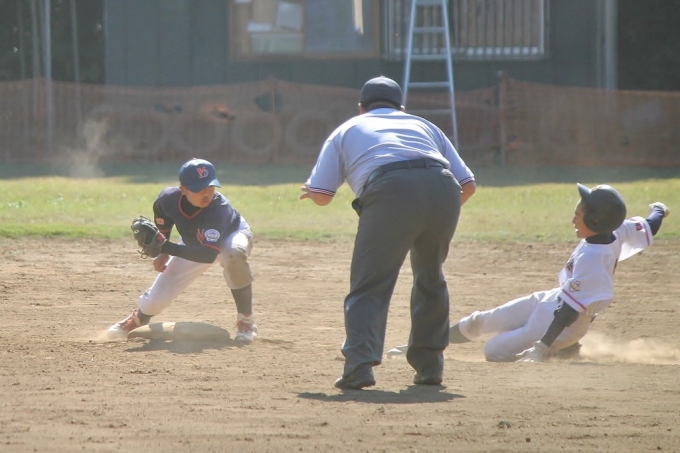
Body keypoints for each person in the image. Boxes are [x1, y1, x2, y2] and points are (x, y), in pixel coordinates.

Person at [300, 75, 476, 389]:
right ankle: (430, 365)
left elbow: (324, 195)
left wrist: (311, 193)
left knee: (370, 283)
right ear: (401, 107)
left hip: (390, 189)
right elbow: (468, 185)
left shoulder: (348, 129)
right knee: (430, 277)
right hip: (444, 188)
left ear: (361, 107)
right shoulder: (424, 125)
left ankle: (359, 365)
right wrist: (429, 212)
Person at [391, 184, 669, 362]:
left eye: (578, 214)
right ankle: (424, 345)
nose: (573, 218)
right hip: (553, 298)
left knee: (493, 351)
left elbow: (568, 313)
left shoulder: (593, 261)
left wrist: (541, 348)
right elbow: (649, 225)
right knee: (481, 321)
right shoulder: (615, 229)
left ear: (595, 220)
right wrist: (659, 209)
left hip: (566, 321)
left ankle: (559, 349)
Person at [107, 158, 257, 344]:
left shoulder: (218, 208)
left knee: (234, 253)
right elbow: (163, 216)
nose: (206, 194)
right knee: (155, 300)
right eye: (199, 189)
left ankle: (246, 321)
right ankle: (138, 319)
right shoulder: (167, 199)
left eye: (210, 188)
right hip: (193, 242)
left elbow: (208, 255)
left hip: (231, 234)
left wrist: (166, 247)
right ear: (183, 189)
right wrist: (163, 251)